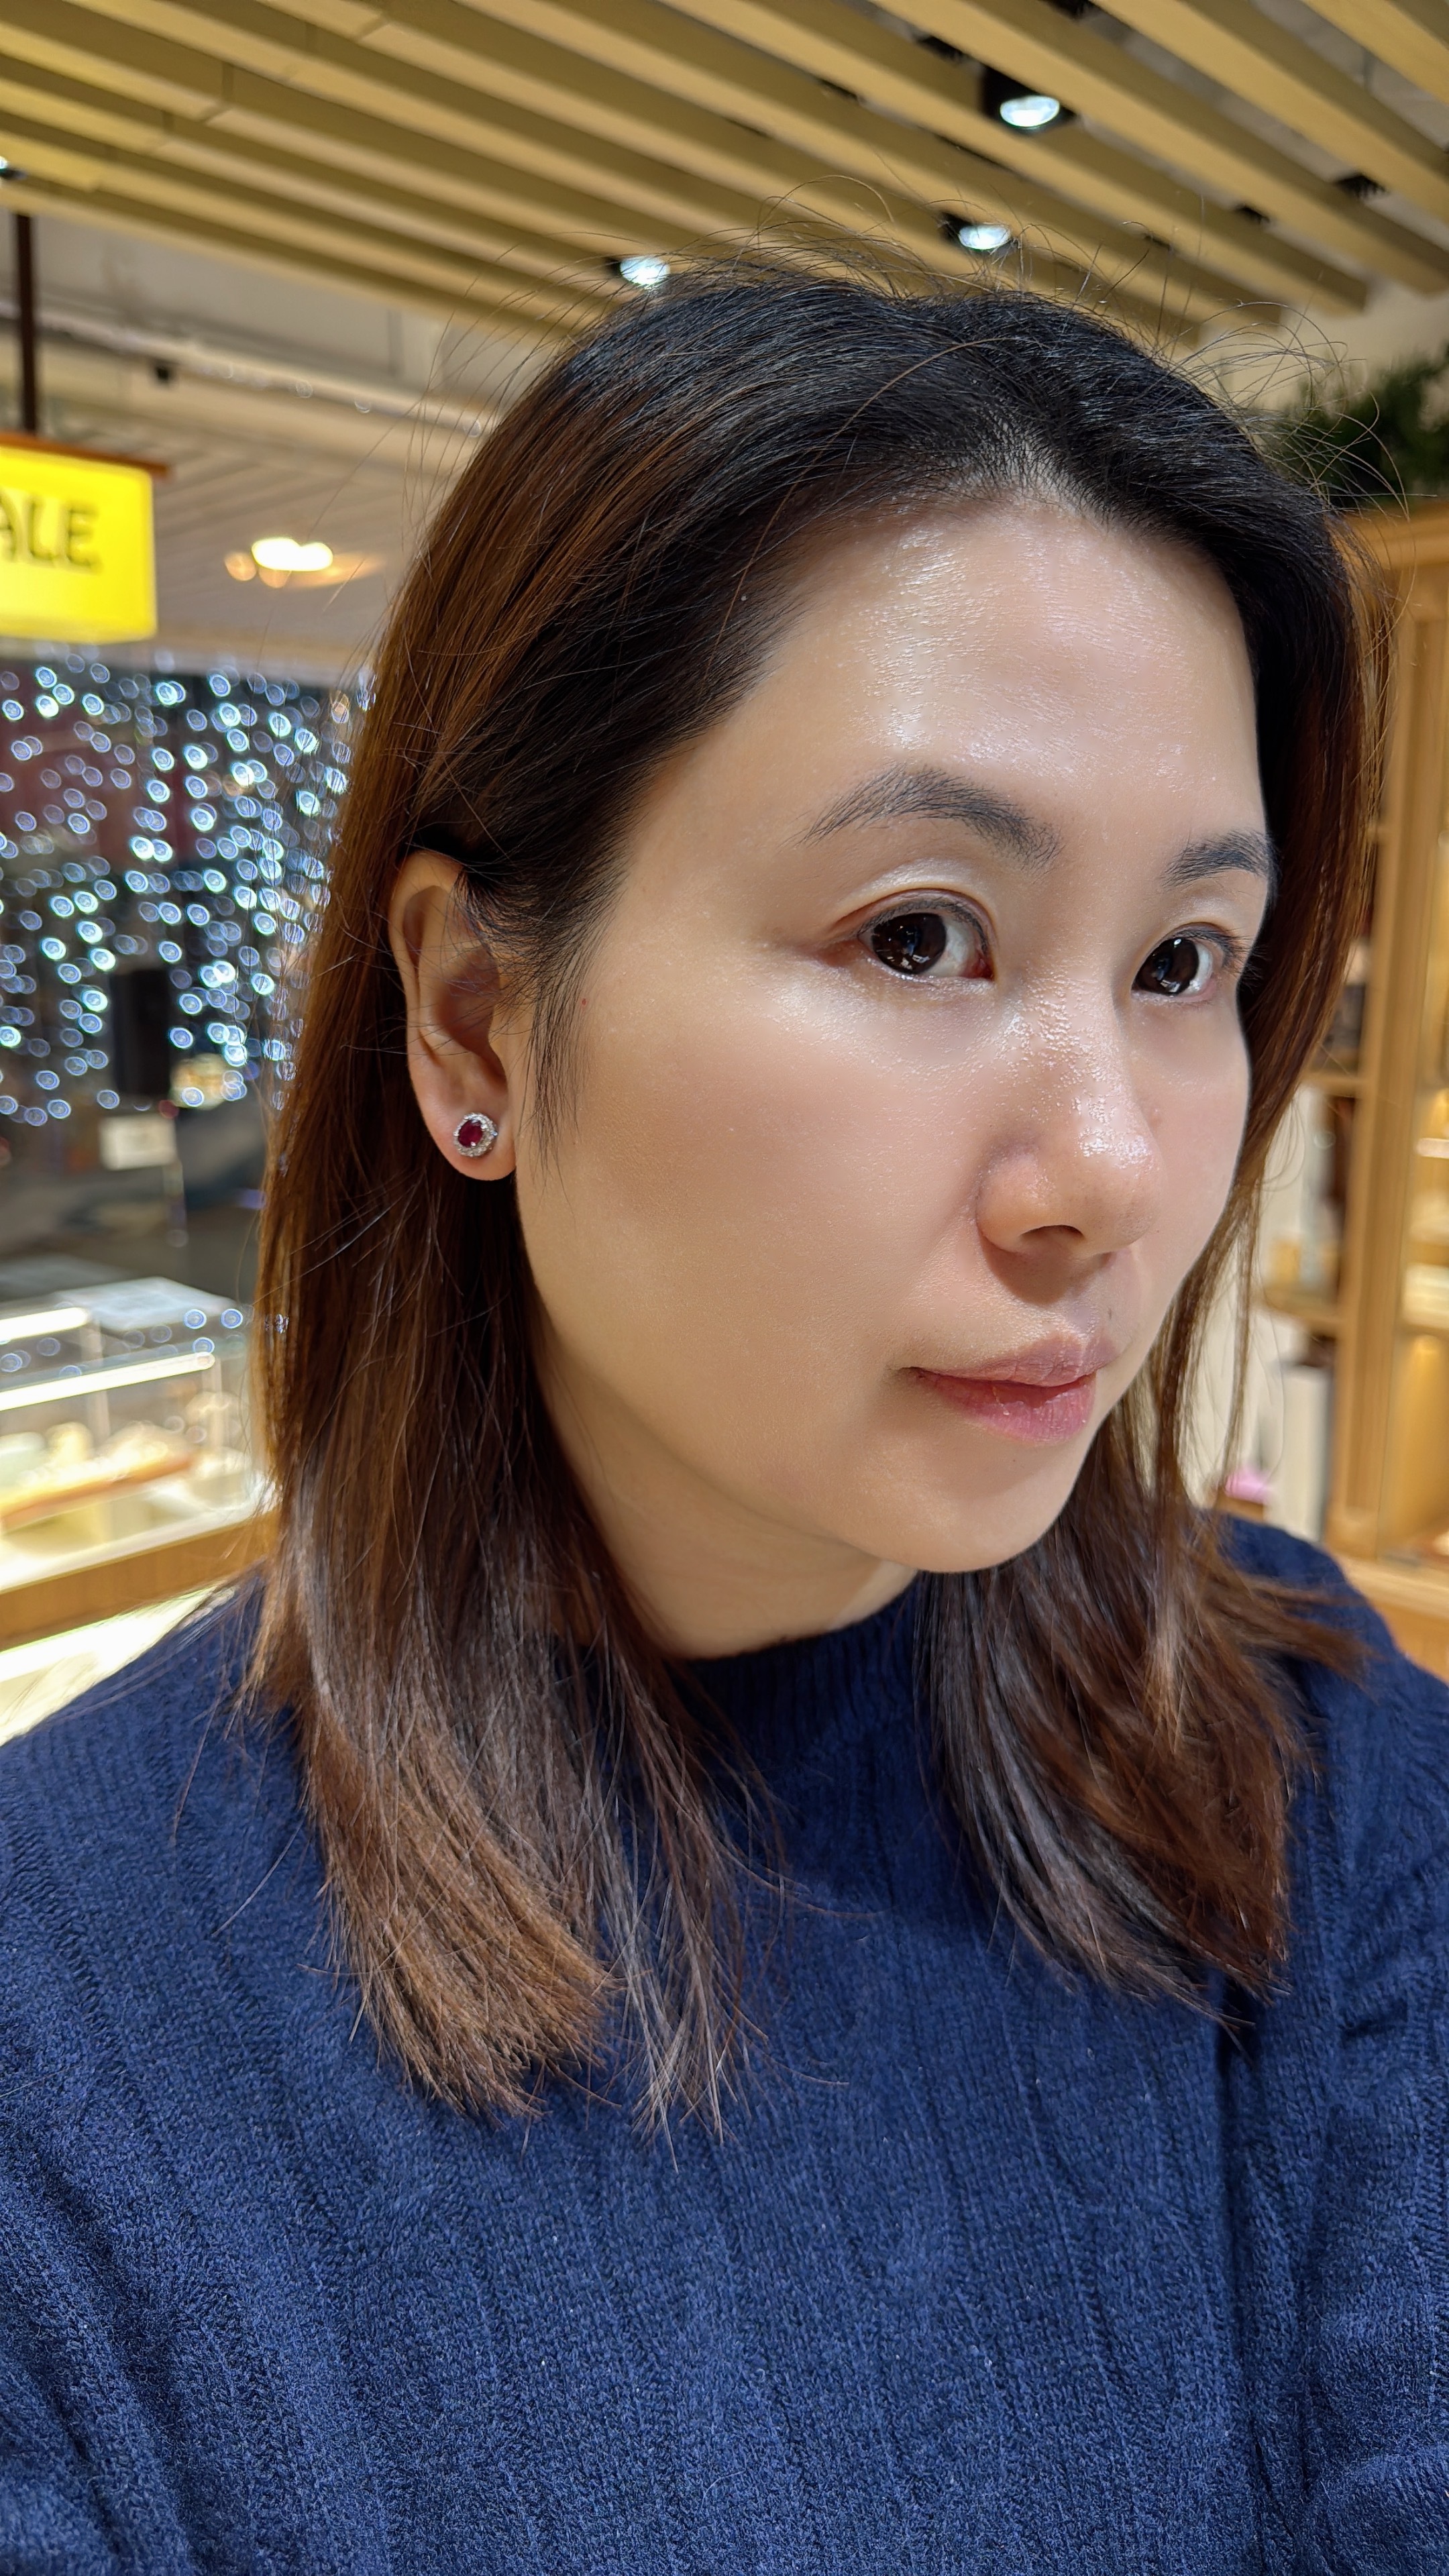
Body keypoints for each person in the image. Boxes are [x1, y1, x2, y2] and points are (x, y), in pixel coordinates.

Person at [1, 265, 1444, 2573]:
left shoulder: (1313, 1766)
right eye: (918, 935)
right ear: (477, 1023)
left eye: (1185, 963)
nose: (1111, 1171)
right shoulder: (62, 2010)